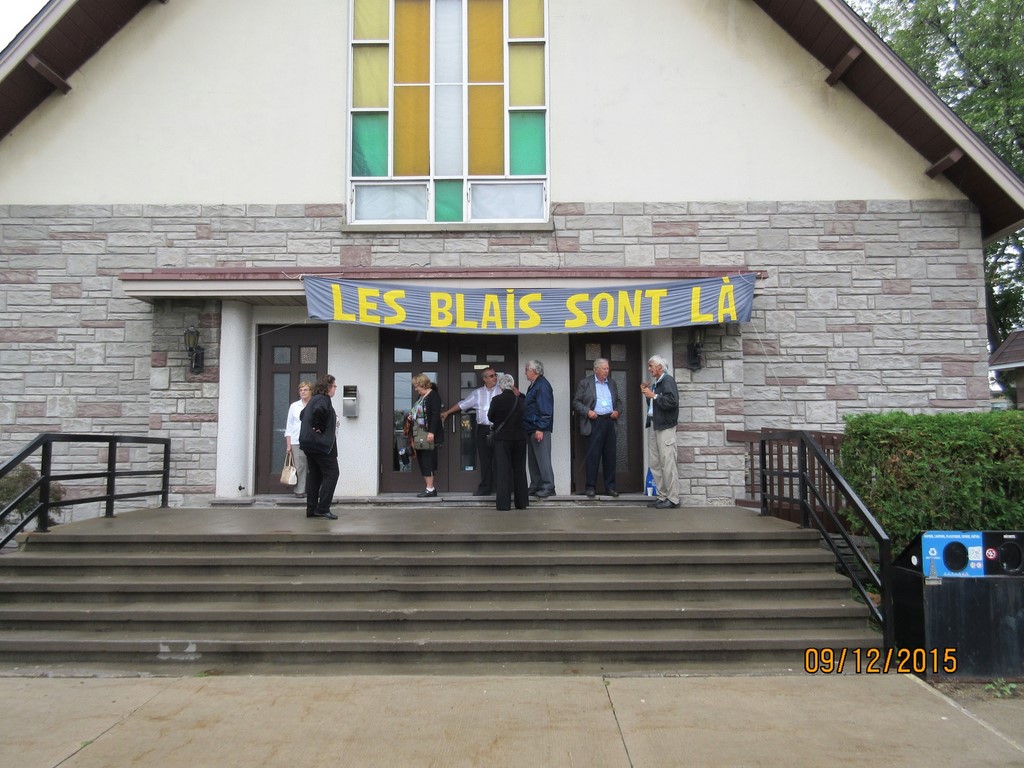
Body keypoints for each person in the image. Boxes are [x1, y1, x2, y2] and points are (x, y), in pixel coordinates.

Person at [440, 367, 500, 496]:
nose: (494, 377)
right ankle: (485, 488)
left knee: (500, 459)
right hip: (483, 430)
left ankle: (501, 488)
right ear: (484, 379)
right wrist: (447, 412)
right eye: (491, 376)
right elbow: (462, 405)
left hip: (499, 429)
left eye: (495, 375)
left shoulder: (502, 391)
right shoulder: (477, 393)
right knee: (485, 460)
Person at [572, 358, 623, 498]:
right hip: (594, 422)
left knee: (610, 456)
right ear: (596, 369)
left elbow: (618, 402)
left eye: (608, 368)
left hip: (609, 422)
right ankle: (590, 487)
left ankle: (610, 487)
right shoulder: (585, 383)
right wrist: (587, 411)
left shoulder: (612, 383)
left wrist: (618, 411)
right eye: (604, 368)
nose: (607, 371)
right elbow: (576, 402)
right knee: (593, 456)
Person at [641, 354, 680, 509]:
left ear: (659, 367)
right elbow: (654, 404)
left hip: (665, 428)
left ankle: (673, 498)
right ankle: (662, 495)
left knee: (668, 463)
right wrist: (647, 393)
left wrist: (654, 395)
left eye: (651, 366)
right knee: (655, 463)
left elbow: (672, 402)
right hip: (655, 425)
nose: (649, 369)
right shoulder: (657, 383)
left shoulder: (668, 380)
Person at [299, 374, 340, 520]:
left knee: (315, 475)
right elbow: (318, 412)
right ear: (328, 387)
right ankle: (323, 508)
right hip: (321, 445)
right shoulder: (323, 399)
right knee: (332, 473)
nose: (335, 389)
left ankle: (312, 509)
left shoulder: (313, 399)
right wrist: (320, 427)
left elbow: (302, 415)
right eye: (334, 386)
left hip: (309, 444)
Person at [487, 373, 529, 511]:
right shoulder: (520, 401)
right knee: (519, 470)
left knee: (503, 471)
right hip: (520, 439)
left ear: (500, 386)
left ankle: (504, 504)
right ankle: (521, 502)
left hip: (503, 439)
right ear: (513, 385)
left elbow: (490, 416)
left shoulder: (496, 400)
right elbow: (526, 416)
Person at [523, 359, 555, 498]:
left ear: (534, 371)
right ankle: (536, 485)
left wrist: (540, 428)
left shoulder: (542, 385)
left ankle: (548, 486)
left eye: (526, 370)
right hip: (532, 428)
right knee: (534, 461)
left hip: (538, 428)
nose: (525, 373)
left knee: (543, 459)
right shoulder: (534, 385)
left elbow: (546, 410)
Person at [408, 373, 444, 498]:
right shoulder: (420, 397)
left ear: (422, 384)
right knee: (422, 460)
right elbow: (416, 411)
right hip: (419, 434)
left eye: (416, 386)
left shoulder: (433, 396)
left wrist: (432, 432)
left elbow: (435, 416)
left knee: (427, 460)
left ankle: (430, 488)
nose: (415, 388)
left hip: (428, 434)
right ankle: (429, 487)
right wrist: (411, 416)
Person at [284, 380, 312, 498]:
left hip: (313, 441)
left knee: (313, 466)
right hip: (297, 441)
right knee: (300, 467)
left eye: (305, 389)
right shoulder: (294, 406)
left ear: (311, 391)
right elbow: (289, 426)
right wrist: (289, 445)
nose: (302, 392)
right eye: (301, 390)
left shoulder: (314, 404)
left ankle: (314, 490)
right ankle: (300, 490)